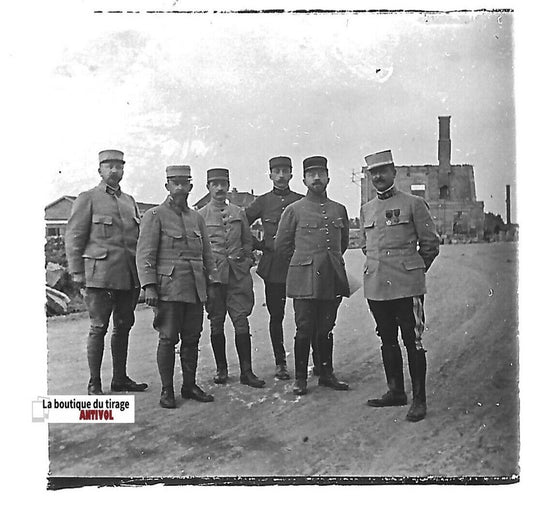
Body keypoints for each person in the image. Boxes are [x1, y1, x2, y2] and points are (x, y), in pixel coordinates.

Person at [360, 150, 439, 422]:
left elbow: (430, 244)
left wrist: (414, 272)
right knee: (386, 338)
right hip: (377, 286)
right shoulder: (366, 209)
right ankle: (395, 391)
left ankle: (419, 400)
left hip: (407, 286)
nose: (378, 176)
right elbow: (365, 246)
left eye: (383, 170)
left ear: (394, 172)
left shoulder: (414, 203)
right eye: (373, 173)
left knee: (412, 341)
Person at [136, 165, 219, 408]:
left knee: (192, 338)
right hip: (168, 289)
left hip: (194, 288)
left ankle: (189, 385)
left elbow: (207, 254)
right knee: (168, 338)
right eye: (175, 183)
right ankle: (167, 390)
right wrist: (149, 286)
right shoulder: (154, 216)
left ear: (191, 187)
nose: (180, 188)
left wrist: (212, 282)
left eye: (185, 183)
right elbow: (145, 254)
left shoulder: (197, 218)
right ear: (167, 186)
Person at [65, 149, 147, 395]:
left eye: (119, 166)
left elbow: (137, 240)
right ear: (99, 170)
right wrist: (78, 274)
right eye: (109, 166)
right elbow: (74, 237)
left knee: (123, 327)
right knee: (98, 327)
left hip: (127, 276)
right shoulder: (87, 198)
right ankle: (94, 383)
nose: (115, 171)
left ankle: (119, 378)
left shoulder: (129, 201)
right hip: (99, 277)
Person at [275, 156, 350, 396]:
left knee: (326, 328)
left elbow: (343, 242)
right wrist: (302, 265)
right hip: (304, 279)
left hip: (331, 277)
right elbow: (282, 246)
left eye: (321, 173)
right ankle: (300, 379)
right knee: (304, 328)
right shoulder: (293, 210)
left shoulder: (339, 209)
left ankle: (327, 374)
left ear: (328, 177)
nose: (317, 178)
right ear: (304, 179)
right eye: (311, 174)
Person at [198, 168, 265, 388]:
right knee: (216, 322)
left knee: (241, 321)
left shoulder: (238, 212)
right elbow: (198, 248)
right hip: (215, 277)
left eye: (223, 184)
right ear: (208, 187)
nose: (219, 188)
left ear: (228, 186)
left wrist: (247, 261)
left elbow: (248, 241)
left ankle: (247, 372)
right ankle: (221, 370)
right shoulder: (200, 215)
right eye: (214, 184)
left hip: (238, 276)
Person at [244, 156, 304, 380]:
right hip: (274, 267)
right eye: (276, 171)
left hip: (299, 265)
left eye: (285, 171)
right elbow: (242, 222)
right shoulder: (263, 201)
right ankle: (281, 363)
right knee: (276, 315)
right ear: (270, 175)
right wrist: (260, 245)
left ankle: (315, 362)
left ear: (291, 174)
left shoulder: (301, 200)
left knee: (305, 316)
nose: (280, 175)